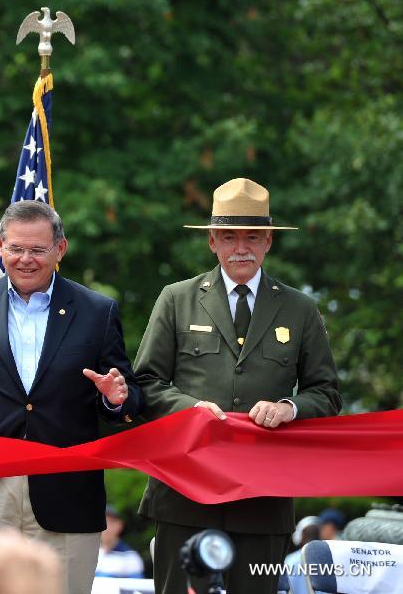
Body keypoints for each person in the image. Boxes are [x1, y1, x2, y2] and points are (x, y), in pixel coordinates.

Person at [133, 178, 342, 594]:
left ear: (269, 242)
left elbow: (327, 393)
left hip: (264, 496)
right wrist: (189, 409)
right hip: (186, 491)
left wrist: (290, 407)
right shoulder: (177, 298)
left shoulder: (300, 308)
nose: (240, 247)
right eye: (228, 237)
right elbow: (146, 384)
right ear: (212, 241)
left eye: (252, 237)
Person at [0, 200, 142, 594]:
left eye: (37, 249)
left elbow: (127, 397)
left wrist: (116, 398)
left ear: (60, 249)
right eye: (16, 248)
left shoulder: (97, 311)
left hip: (65, 494)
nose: (25, 259)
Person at [95, 505, 144, 579]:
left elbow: (136, 588)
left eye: (110, 523)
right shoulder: (84, 554)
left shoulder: (131, 557)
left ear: (119, 525)